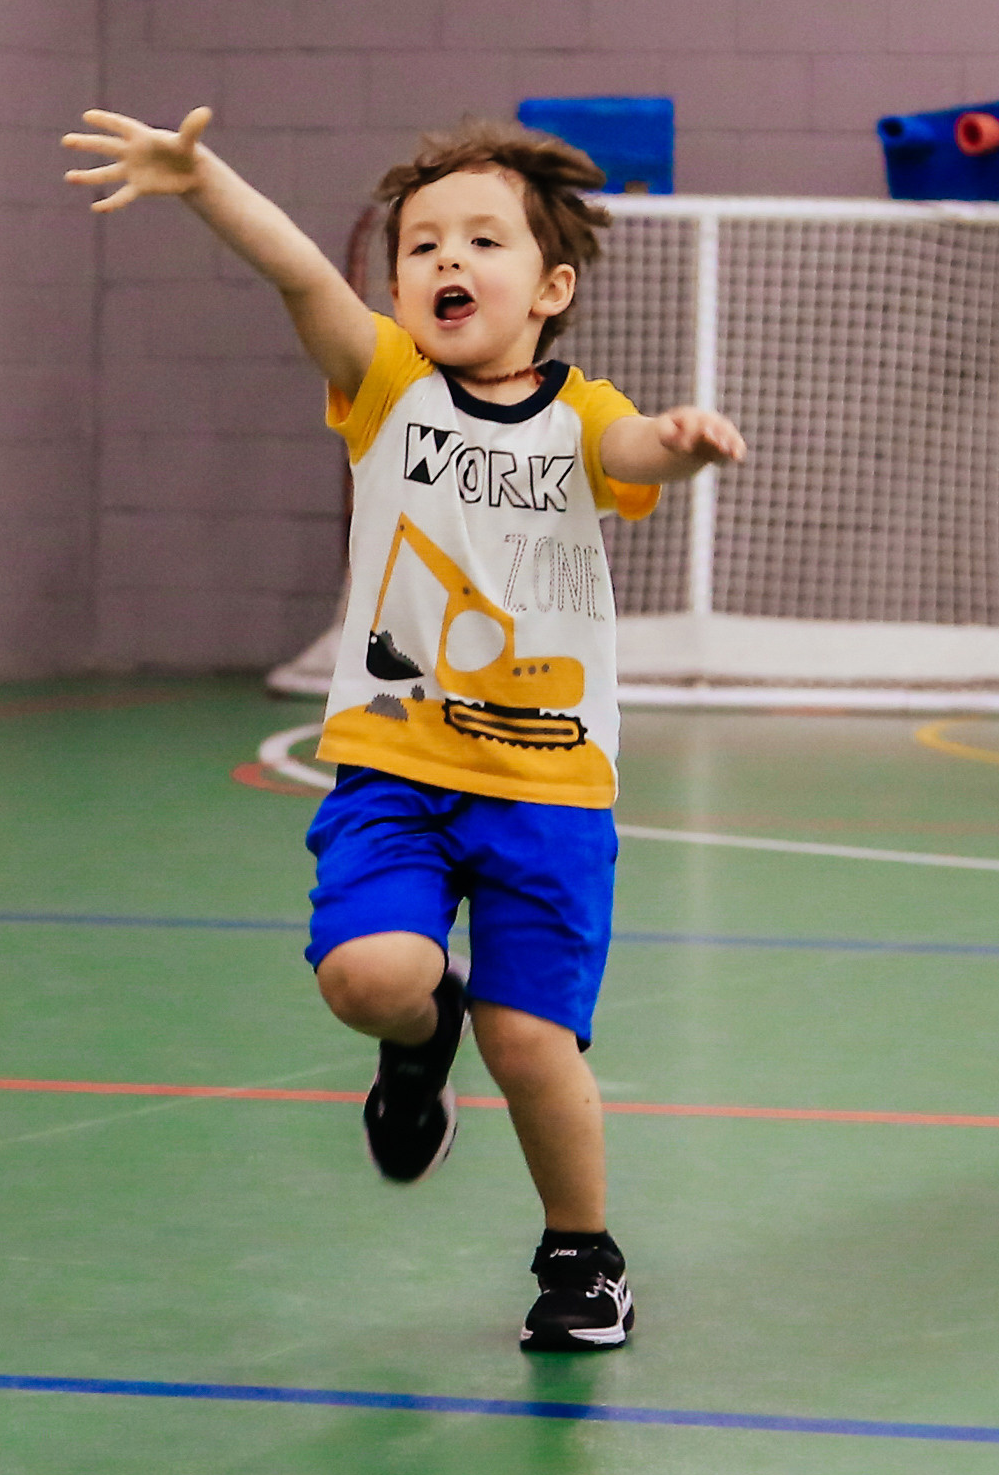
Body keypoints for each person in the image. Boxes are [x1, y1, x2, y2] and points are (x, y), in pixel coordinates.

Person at [63, 104, 744, 1353]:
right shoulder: (382, 390)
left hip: (547, 787)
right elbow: (298, 272)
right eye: (421, 244)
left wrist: (683, 448)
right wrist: (202, 177)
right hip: (395, 766)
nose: (445, 261)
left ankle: (581, 1254)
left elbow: (636, 446)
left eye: (480, 241)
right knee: (372, 976)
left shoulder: (579, 416)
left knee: (532, 1040)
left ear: (547, 288)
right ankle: (418, 1046)